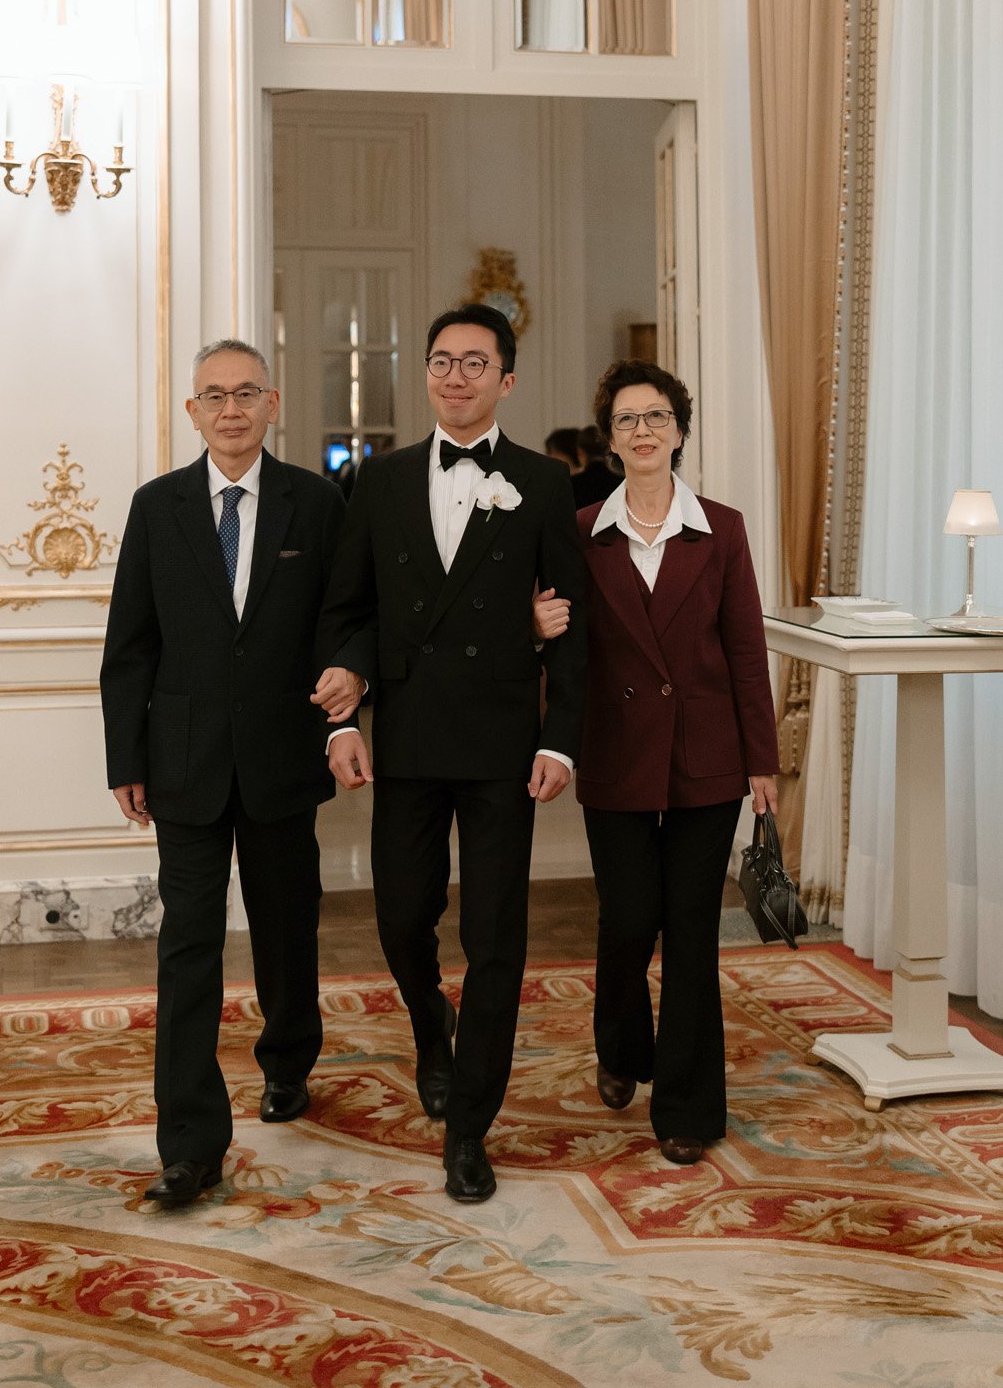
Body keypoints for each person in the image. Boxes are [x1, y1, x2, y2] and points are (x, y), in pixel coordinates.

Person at [313, 304, 586, 1204]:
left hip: (506, 742)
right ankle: (432, 1026)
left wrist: (559, 738)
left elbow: (574, 630)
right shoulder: (380, 481)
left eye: (475, 363)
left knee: (495, 937)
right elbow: (349, 610)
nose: (455, 376)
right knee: (400, 918)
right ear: (425, 374)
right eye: (441, 361)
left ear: (506, 380)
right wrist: (344, 719)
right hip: (410, 737)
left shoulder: (544, 485)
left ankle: (470, 1126)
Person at [101, 338, 372, 1207]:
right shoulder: (158, 508)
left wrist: (348, 677)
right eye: (213, 395)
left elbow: (347, 615)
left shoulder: (317, 503)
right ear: (192, 411)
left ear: (272, 402)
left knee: (286, 927)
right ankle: (189, 1143)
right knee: (188, 949)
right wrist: (125, 760)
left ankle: (288, 1060)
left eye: (245, 392)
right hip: (181, 763)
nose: (229, 409)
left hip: (282, 758)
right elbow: (130, 645)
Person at [535, 358, 778, 1165]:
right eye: (627, 420)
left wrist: (762, 761)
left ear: (678, 430)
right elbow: (558, 646)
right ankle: (619, 1045)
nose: (643, 431)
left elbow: (745, 651)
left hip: (708, 754)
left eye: (657, 417)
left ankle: (686, 1110)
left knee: (692, 932)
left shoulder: (723, 527)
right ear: (610, 439)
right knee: (628, 920)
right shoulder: (578, 532)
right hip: (616, 750)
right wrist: (533, 627)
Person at [546, 424, 619, 510]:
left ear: (580, 453)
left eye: (552, 453)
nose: (548, 458)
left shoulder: (568, 485)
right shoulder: (621, 483)